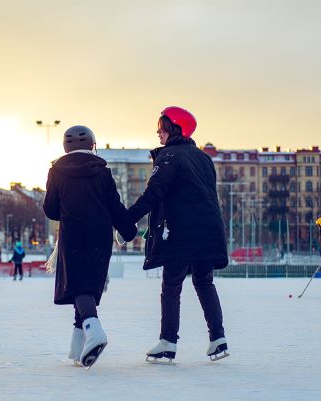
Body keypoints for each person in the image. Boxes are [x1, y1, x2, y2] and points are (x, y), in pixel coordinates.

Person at [127, 107, 229, 363]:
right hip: (210, 230)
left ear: (175, 129)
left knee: (171, 286)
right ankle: (218, 339)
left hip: (182, 231)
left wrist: (127, 218)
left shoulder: (169, 156)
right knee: (205, 283)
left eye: (162, 127)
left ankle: (168, 342)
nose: (158, 133)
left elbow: (154, 193)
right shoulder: (203, 158)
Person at [43, 125, 136, 369]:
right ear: (92, 145)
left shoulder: (57, 171)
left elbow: (50, 210)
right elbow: (115, 206)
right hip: (99, 235)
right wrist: (128, 230)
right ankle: (77, 348)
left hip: (73, 234)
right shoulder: (102, 171)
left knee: (78, 285)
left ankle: (93, 331)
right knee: (87, 285)